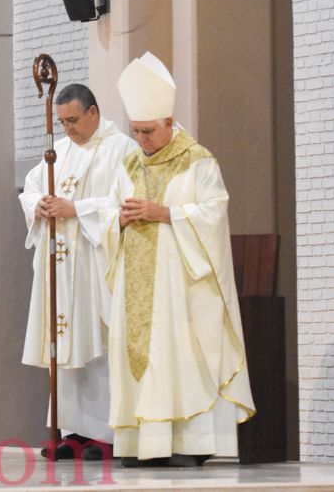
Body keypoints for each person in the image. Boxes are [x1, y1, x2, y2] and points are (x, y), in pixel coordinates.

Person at [101, 52, 255, 467]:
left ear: (170, 123)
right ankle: (140, 444)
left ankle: (191, 442)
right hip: (137, 277)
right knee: (139, 354)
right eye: (136, 131)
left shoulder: (197, 161)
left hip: (181, 286)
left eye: (149, 131)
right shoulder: (129, 161)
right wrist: (118, 219)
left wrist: (165, 213)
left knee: (179, 355)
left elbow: (213, 212)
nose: (142, 140)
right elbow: (110, 209)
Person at [19, 84, 136, 460]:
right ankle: (71, 431)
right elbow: (32, 187)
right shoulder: (61, 151)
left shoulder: (122, 149)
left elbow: (125, 203)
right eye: (62, 122)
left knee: (97, 342)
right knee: (63, 345)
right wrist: (40, 204)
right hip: (61, 263)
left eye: (72, 120)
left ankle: (106, 433)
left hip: (95, 262)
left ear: (93, 113)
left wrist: (77, 209)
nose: (67, 128)